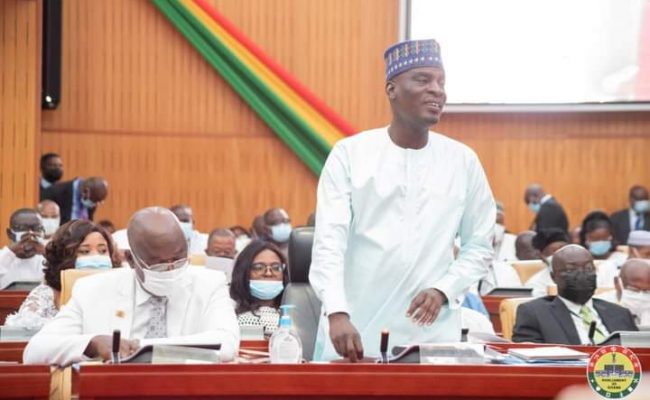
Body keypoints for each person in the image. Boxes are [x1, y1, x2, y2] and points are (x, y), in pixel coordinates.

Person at [309, 39, 495, 362]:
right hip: (355, 328)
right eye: (423, 80)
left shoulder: (462, 161)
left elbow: (479, 245)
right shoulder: (350, 154)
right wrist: (336, 311)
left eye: (441, 82)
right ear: (392, 89)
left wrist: (445, 289)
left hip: (431, 332)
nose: (437, 90)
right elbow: (329, 241)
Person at [23, 207, 240, 366]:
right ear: (131, 260)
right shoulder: (91, 290)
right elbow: (35, 350)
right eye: (158, 264)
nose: (171, 269)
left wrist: (143, 349)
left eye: (179, 259)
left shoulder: (210, 283)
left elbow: (226, 343)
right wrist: (92, 343)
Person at [5, 220, 119, 330]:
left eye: (103, 251)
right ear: (65, 256)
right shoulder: (49, 293)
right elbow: (22, 325)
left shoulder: (119, 289)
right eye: (84, 251)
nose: (96, 257)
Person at [513, 245, 637, 345]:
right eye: (570, 270)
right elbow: (530, 360)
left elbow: (639, 354)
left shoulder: (620, 314)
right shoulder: (534, 313)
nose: (582, 275)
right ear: (554, 277)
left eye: (588, 269)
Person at [230, 240, 289, 337]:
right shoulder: (229, 313)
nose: (268, 273)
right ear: (244, 272)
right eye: (259, 267)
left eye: (276, 267)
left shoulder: (294, 315)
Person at [0, 209, 46, 289]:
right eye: (22, 228)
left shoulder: (49, 258)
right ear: (10, 234)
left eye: (36, 228)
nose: (30, 234)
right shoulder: (2, 257)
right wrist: (10, 252)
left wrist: (47, 253)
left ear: (43, 232)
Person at [580, 211, 627, 287]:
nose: (600, 242)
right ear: (586, 238)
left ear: (610, 237)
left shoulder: (622, 259)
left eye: (604, 239)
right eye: (596, 239)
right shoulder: (580, 261)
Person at [596, 258, 650, 326]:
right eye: (634, 290)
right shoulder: (599, 307)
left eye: (647, 292)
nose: (641, 296)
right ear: (617, 284)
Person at [41, 176, 109, 224]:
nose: (94, 205)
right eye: (94, 202)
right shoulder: (56, 192)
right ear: (85, 191)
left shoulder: (93, 196)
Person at [524, 228, 569, 297]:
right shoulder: (536, 284)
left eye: (564, 250)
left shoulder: (582, 275)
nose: (560, 255)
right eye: (554, 251)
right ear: (542, 256)